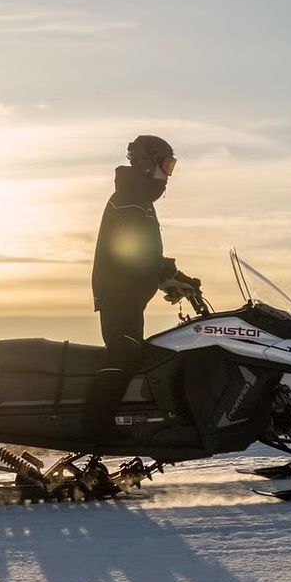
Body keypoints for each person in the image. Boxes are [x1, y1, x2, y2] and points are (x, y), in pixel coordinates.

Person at [84, 135, 199, 434]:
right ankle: (93, 430)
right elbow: (136, 252)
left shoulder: (139, 199)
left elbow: (145, 255)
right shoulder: (130, 199)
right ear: (146, 164)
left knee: (138, 356)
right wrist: (167, 276)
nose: (168, 173)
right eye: (166, 164)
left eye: (171, 166)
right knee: (125, 355)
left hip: (128, 295)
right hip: (118, 295)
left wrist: (171, 278)